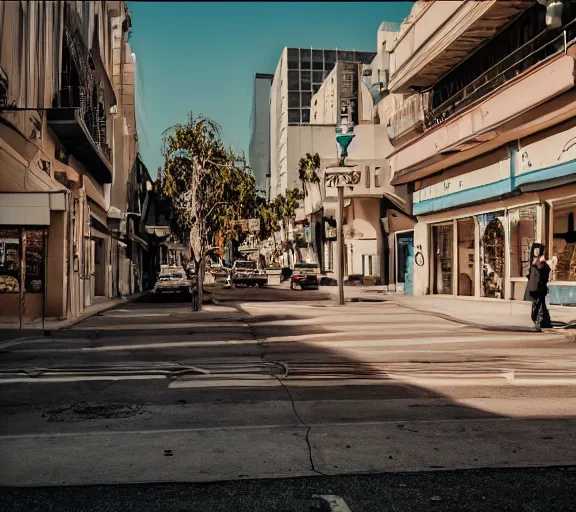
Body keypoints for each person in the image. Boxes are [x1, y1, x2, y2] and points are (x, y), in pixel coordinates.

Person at [526, 243, 552, 331]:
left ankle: (539, 323)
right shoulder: (537, 265)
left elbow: (542, 275)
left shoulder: (541, 266)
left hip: (538, 289)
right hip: (537, 289)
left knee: (537, 307)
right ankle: (545, 322)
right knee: (539, 306)